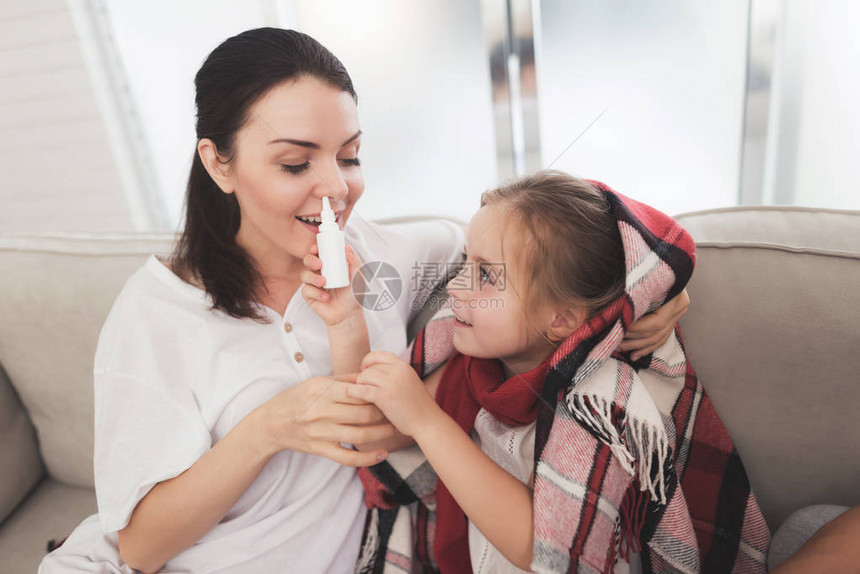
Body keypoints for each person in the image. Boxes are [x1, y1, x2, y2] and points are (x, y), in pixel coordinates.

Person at [39, 29, 686, 574]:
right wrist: (271, 427)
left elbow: (538, 248)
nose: (334, 191)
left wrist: (642, 294)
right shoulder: (158, 318)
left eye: (349, 157)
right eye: (296, 164)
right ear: (219, 164)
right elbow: (143, 546)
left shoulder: (386, 259)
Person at [340, 171, 771, 573]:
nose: (455, 287)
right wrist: (344, 319)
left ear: (562, 320)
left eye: (486, 274)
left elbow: (542, 548)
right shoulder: (469, 363)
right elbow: (370, 432)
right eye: (465, 263)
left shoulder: (600, 403)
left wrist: (428, 423)